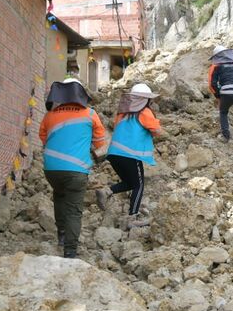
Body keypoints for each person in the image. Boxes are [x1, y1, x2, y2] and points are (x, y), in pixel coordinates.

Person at [39, 78, 107, 258]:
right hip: (76, 170)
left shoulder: (49, 115)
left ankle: (61, 235)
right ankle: (70, 251)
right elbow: (100, 143)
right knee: (74, 210)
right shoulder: (90, 114)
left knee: (59, 196)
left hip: (51, 169)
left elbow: (44, 138)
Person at [96, 83, 162, 216]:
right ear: (145, 99)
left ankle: (107, 191)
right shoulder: (144, 112)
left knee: (130, 183)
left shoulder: (122, 114)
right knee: (139, 185)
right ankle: (132, 216)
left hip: (113, 154)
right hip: (130, 155)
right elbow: (157, 131)